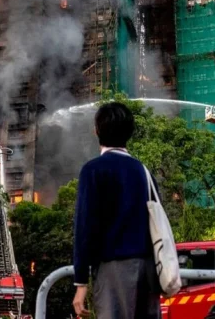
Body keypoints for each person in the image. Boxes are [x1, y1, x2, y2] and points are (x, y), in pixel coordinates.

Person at [72, 102, 161, 319]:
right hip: (149, 271)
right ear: (129, 133)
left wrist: (81, 282)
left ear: (97, 131)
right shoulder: (143, 171)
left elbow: (84, 228)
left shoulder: (93, 170)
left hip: (114, 271)